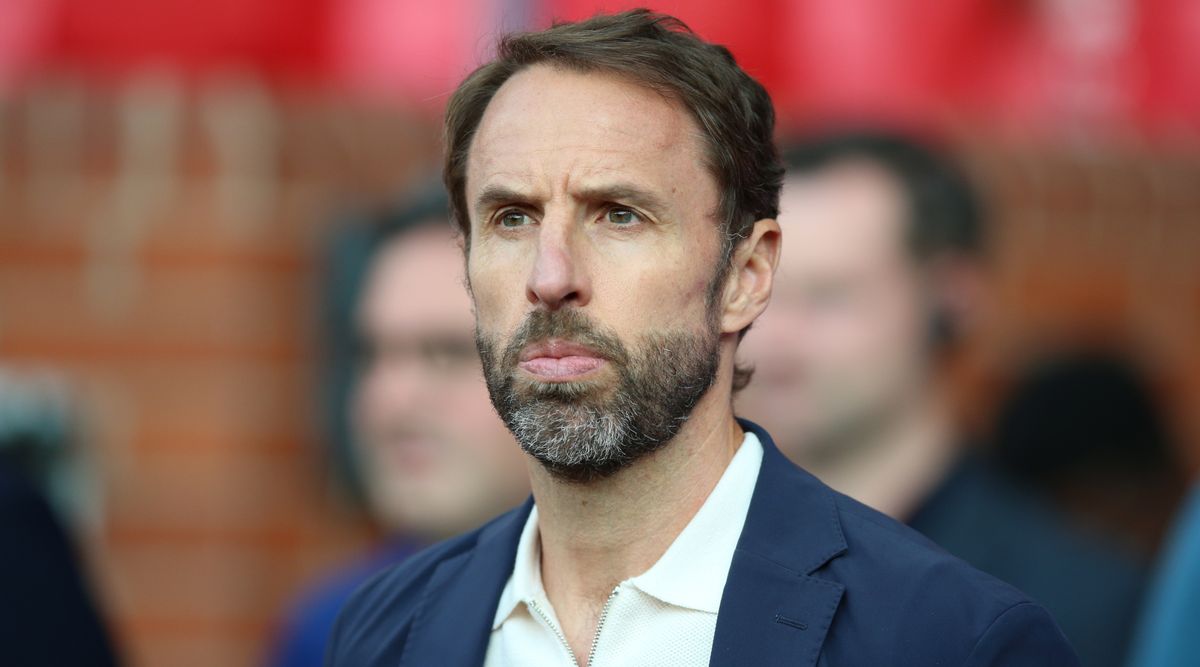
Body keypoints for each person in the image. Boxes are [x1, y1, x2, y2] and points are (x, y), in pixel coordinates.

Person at [326, 11, 1078, 666]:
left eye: (619, 213)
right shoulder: (386, 631)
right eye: (511, 218)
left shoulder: (947, 641)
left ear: (746, 275)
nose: (550, 276)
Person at [736, 131, 1143, 667]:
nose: (772, 335)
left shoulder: (1071, 598)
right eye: (757, 289)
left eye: (829, 296)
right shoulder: (670, 554)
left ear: (952, 297)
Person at [268, 191, 530, 667]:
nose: (389, 399)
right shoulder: (334, 629)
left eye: (448, 352)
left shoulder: (673, 617)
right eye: (371, 354)